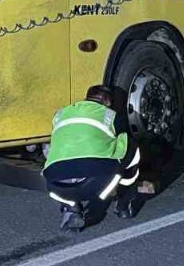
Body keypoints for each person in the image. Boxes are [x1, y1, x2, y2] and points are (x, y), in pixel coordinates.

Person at [42, 85, 141, 231]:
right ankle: (124, 204)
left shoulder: (61, 114)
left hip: (55, 186)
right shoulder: (110, 115)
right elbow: (124, 142)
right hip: (95, 185)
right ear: (107, 102)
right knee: (130, 147)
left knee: (55, 151)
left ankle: (71, 207)